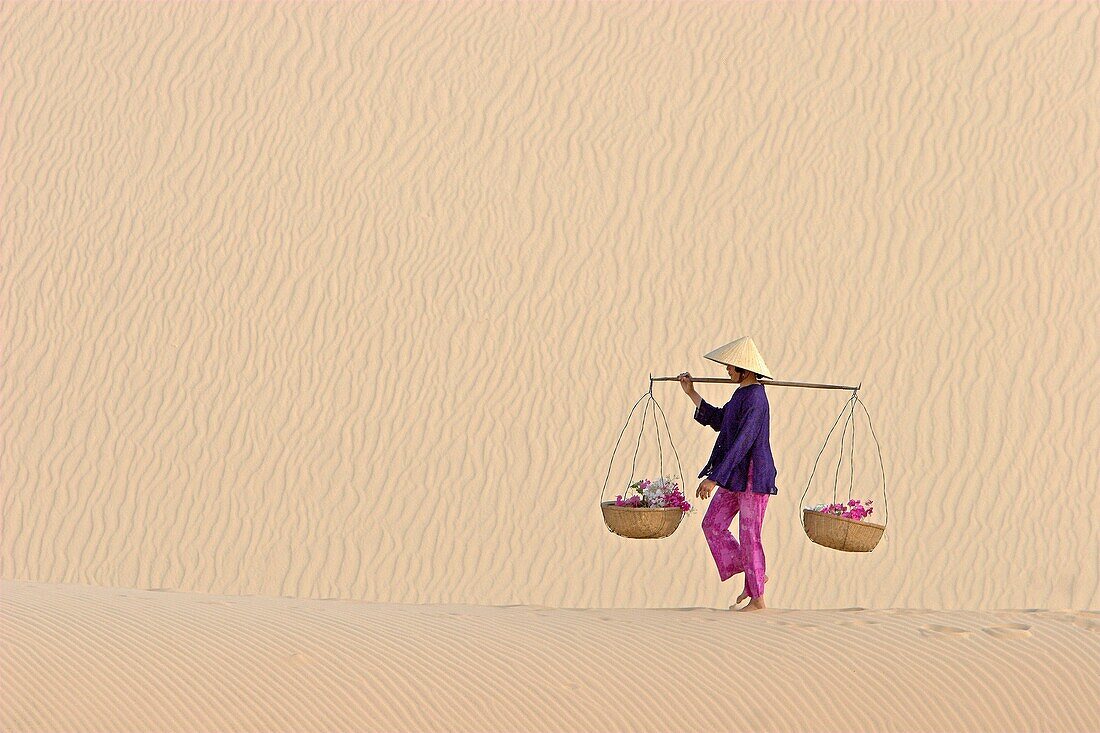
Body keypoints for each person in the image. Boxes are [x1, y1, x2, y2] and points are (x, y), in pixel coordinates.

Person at [678, 336, 778, 611]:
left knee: (750, 535)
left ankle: (758, 598)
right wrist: (691, 393)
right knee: (712, 524)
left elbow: (743, 442)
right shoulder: (741, 394)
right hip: (735, 476)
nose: (727, 372)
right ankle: (754, 573)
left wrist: (714, 478)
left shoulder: (756, 398)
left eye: (731, 368)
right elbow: (721, 420)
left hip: (753, 476)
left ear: (744, 370)